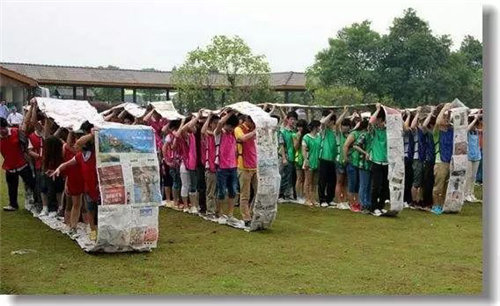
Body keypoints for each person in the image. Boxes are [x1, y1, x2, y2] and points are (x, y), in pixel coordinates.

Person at [51, 121, 99, 241]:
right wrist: (58, 169)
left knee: (99, 214)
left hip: (99, 190)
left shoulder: (96, 153)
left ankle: (99, 234)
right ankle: (94, 236)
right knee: (91, 214)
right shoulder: (80, 156)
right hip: (89, 190)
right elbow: (67, 164)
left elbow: (78, 143)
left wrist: (93, 135)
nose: (78, 140)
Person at [0, 117, 35, 211]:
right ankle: (13, 205)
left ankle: (37, 203)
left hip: (23, 164)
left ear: (6, 126)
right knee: (11, 187)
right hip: (9, 166)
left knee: (31, 184)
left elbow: (26, 145)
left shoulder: (17, 132)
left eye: (2, 128)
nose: (1, 131)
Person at [214, 110, 239, 224]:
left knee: (233, 191)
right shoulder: (219, 134)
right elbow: (219, 124)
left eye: (232, 127)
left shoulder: (233, 135)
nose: (230, 129)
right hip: (222, 167)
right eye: (229, 126)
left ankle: (230, 214)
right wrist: (230, 114)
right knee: (221, 192)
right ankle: (218, 213)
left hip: (233, 167)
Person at [234, 115, 258, 227]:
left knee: (258, 192)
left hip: (255, 165)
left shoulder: (253, 129)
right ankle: (246, 217)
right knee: (245, 194)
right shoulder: (239, 128)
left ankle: (252, 211)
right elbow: (242, 139)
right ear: (248, 120)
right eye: (253, 122)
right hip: (243, 165)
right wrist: (255, 132)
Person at [431, 103, 454, 215]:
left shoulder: (451, 130)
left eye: (447, 117)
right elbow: (438, 122)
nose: (446, 119)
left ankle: (443, 205)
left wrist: (450, 111)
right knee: (438, 187)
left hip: (451, 162)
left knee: (446, 186)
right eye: (444, 117)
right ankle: (436, 206)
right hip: (440, 162)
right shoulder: (436, 131)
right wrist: (445, 108)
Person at [62, 130, 85, 235]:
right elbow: (68, 145)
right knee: (74, 204)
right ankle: (71, 226)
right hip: (74, 180)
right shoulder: (71, 151)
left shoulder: (85, 153)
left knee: (85, 206)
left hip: (85, 180)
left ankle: (88, 227)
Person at [368, 103, 389, 216]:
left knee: (385, 186)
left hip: (386, 162)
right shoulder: (374, 131)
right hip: (376, 161)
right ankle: (373, 207)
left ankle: (381, 206)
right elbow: (371, 122)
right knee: (375, 186)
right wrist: (378, 109)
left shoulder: (388, 131)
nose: (378, 122)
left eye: (380, 120)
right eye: (378, 120)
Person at [177, 114, 200, 213]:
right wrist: (195, 118)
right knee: (186, 185)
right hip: (186, 164)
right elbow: (182, 131)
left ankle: (193, 205)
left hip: (192, 163)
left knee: (192, 185)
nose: (194, 127)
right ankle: (186, 205)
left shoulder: (193, 137)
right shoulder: (187, 136)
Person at [201, 113, 220, 219]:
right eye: (215, 123)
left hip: (221, 167)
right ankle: (210, 211)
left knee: (219, 191)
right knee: (211, 191)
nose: (217, 125)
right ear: (211, 124)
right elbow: (203, 131)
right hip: (210, 167)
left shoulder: (220, 134)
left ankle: (217, 210)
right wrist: (208, 117)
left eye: (219, 123)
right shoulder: (209, 136)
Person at [317, 110, 338, 207]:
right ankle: (322, 200)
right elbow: (322, 122)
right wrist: (330, 114)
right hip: (323, 159)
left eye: (330, 120)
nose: (327, 122)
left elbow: (338, 122)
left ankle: (330, 199)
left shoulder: (335, 131)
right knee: (322, 180)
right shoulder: (324, 130)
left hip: (332, 160)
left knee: (332, 181)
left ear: (332, 121)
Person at [351, 118, 372, 213]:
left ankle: (368, 203)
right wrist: (365, 153)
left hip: (373, 164)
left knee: (370, 185)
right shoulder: (364, 135)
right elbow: (355, 145)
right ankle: (363, 204)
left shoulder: (374, 136)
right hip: (363, 164)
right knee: (364, 184)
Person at [279, 111, 298, 201]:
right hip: (286, 156)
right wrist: (283, 158)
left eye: (294, 119)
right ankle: (280, 195)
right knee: (284, 176)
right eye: (291, 119)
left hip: (294, 157)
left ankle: (289, 195)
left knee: (291, 177)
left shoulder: (296, 131)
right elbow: (281, 145)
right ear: (287, 120)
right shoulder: (283, 131)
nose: (293, 121)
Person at [302, 120, 322, 206]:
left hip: (317, 161)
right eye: (319, 126)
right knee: (308, 180)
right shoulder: (306, 137)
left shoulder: (319, 137)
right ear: (315, 127)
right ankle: (307, 199)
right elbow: (303, 150)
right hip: (309, 160)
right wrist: (306, 160)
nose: (320, 128)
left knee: (314, 182)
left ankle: (313, 198)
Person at [163, 119, 182, 208]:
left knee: (179, 181)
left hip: (180, 161)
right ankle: (175, 201)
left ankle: (178, 200)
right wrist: (166, 160)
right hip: (173, 161)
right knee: (175, 181)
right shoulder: (169, 136)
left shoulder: (177, 135)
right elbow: (164, 147)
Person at [420, 108, 437, 210]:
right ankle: (426, 202)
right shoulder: (429, 133)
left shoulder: (437, 134)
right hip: (429, 159)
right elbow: (424, 126)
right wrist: (431, 113)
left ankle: (430, 202)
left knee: (432, 182)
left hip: (436, 159)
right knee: (428, 182)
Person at [335, 115, 351, 209]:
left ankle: (344, 200)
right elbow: (337, 123)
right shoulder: (339, 134)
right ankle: (339, 201)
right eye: (344, 125)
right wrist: (345, 112)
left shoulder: (350, 135)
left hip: (348, 161)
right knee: (339, 182)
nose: (345, 127)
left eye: (347, 125)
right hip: (339, 161)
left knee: (345, 182)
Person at [465, 113, 482, 203]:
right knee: (468, 176)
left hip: (476, 155)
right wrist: (474, 119)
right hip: (468, 156)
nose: (475, 126)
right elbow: (466, 129)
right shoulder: (467, 131)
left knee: (473, 176)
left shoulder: (477, 131)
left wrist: (478, 118)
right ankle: (466, 194)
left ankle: (471, 193)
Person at [293, 119, 308, 204]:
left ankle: (305, 195)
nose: (299, 128)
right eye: (298, 126)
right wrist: (298, 137)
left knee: (306, 178)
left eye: (301, 126)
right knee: (299, 178)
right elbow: (295, 147)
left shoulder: (307, 135)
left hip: (306, 157)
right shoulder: (295, 135)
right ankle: (298, 196)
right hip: (298, 158)